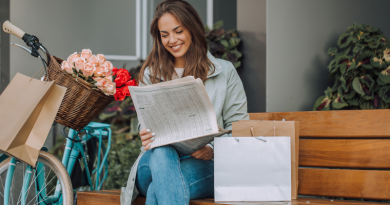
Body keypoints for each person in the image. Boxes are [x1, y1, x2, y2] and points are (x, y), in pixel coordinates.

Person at [121, 0, 249, 204]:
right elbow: (144, 122)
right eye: (164, 35)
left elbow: (239, 128)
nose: (172, 40)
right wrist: (145, 133)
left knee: (159, 188)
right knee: (162, 153)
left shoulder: (225, 72)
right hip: (154, 163)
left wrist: (212, 149)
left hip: (202, 164)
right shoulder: (150, 73)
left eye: (178, 31)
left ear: (192, 29)